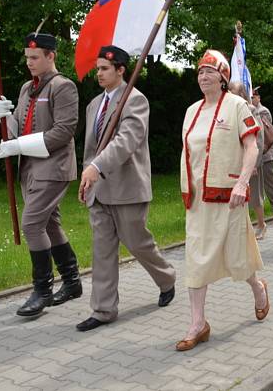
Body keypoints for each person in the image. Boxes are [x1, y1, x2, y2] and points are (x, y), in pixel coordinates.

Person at [76, 46, 176, 332]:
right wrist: (87, 177)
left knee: (137, 244)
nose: (99, 74)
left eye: (104, 69)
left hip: (127, 187)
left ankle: (166, 277)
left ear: (121, 70)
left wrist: (97, 167)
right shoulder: (94, 104)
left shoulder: (135, 100)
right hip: (99, 189)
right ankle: (103, 309)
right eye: (97, 69)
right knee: (102, 250)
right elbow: (90, 148)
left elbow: (126, 141)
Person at [177, 50, 268, 351]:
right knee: (195, 256)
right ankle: (197, 323)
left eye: (209, 72)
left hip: (228, 196)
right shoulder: (191, 110)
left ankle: (258, 288)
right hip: (198, 199)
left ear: (223, 77)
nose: (203, 77)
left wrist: (243, 183)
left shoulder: (237, 106)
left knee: (236, 256)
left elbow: (252, 147)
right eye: (200, 72)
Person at [0, 32, 81, 317]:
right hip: (29, 167)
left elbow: (63, 132)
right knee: (50, 224)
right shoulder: (25, 89)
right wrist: (4, 117)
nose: (29, 63)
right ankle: (72, 281)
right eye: (27, 58)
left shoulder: (63, 87)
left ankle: (41, 290)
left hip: (53, 167)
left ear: (50, 56)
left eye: (35, 57)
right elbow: (18, 127)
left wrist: (17, 145)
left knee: (32, 224)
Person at [230, 82, 267, 240]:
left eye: (233, 91)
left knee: (254, 195)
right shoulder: (230, 110)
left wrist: (254, 163)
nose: (230, 94)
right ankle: (245, 227)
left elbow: (258, 138)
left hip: (251, 161)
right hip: (236, 161)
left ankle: (261, 224)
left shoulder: (250, 109)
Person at [252, 88, 273, 213]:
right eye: (251, 97)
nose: (252, 99)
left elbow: (265, 131)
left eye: (254, 97)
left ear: (258, 98)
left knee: (270, 181)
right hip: (258, 152)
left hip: (267, 151)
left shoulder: (262, 111)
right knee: (259, 183)